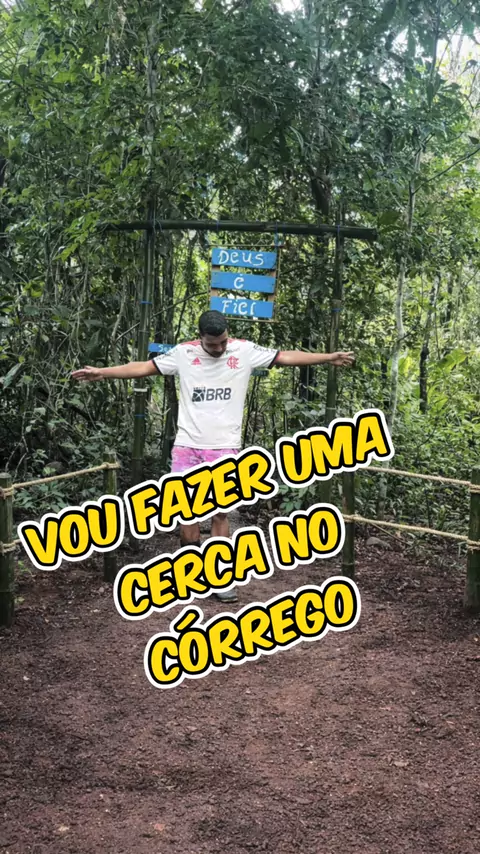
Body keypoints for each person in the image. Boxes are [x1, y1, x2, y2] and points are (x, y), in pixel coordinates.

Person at [72, 310, 354, 602]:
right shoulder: (184, 353)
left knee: (220, 512)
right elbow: (143, 367)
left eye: (222, 342)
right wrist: (102, 372)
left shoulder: (244, 351)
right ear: (200, 338)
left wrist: (328, 357)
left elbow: (285, 357)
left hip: (224, 446)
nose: (218, 348)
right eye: (212, 344)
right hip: (187, 445)